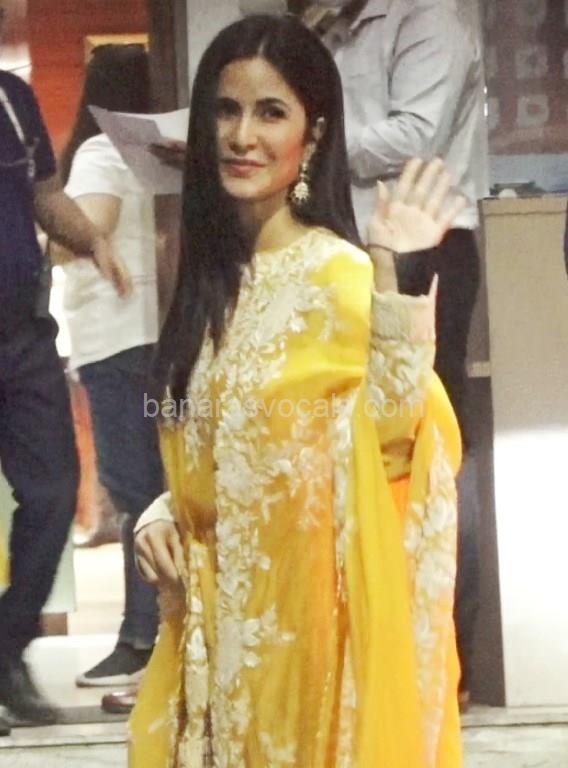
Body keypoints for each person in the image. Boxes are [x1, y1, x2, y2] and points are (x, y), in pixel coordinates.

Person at [129, 14, 465, 767]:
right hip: (213, 641)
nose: (242, 135)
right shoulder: (212, 283)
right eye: (226, 110)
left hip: (306, 637)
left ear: (311, 137)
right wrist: (165, 511)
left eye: (270, 112)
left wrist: (390, 270)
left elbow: (400, 443)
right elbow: (225, 443)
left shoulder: (337, 276)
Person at [295, 0, 486, 706]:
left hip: (421, 243)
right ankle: (366, 638)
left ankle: (445, 652)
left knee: (426, 443)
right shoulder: (329, 26)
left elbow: (413, 136)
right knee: (350, 442)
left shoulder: (429, 17)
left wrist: (300, 138)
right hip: (348, 244)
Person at [0, 18, 129, 728]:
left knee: (53, 494)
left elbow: (45, 195)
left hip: (22, 335)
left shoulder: (14, 100)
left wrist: (94, 240)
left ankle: (5, 645)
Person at [54, 44, 163, 690]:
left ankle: (141, 638)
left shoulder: (100, 152)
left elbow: (89, 226)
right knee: (156, 486)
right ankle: (155, 635)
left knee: (134, 491)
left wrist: (37, 237)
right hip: (153, 336)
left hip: (116, 342)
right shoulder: (157, 158)